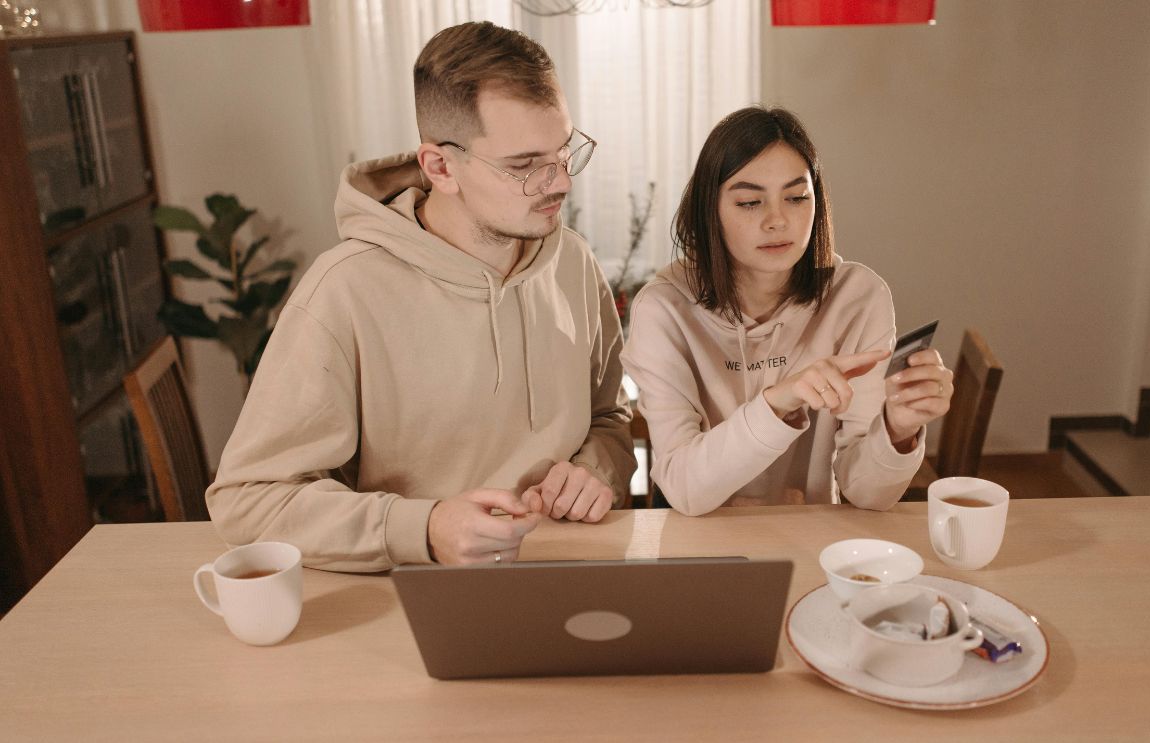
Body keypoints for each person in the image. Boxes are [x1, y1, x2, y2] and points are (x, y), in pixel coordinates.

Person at [206, 22, 635, 570]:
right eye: (525, 165)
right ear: (440, 166)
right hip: (412, 591)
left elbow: (610, 417)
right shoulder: (343, 291)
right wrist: (424, 529)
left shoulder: (571, 259)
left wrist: (595, 471)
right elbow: (248, 501)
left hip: (570, 568)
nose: (561, 182)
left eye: (564, 151)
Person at [622, 107, 952, 516]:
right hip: (696, 547)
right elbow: (686, 489)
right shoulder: (665, 309)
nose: (778, 220)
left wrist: (898, 429)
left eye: (797, 198)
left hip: (811, 540)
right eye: (749, 202)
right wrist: (779, 401)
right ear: (711, 212)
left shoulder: (857, 298)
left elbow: (868, 494)